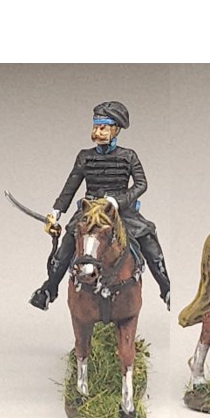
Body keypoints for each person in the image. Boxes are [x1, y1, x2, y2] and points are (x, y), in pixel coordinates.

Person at [29, 101, 170, 310]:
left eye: (103, 127)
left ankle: (166, 289)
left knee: (149, 242)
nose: (98, 131)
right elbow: (71, 186)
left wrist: (118, 201)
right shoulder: (85, 157)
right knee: (67, 243)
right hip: (90, 209)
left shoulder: (128, 156)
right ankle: (49, 289)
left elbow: (141, 184)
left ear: (116, 129)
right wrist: (56, 211)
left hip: (120, 211)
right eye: (96, 127)